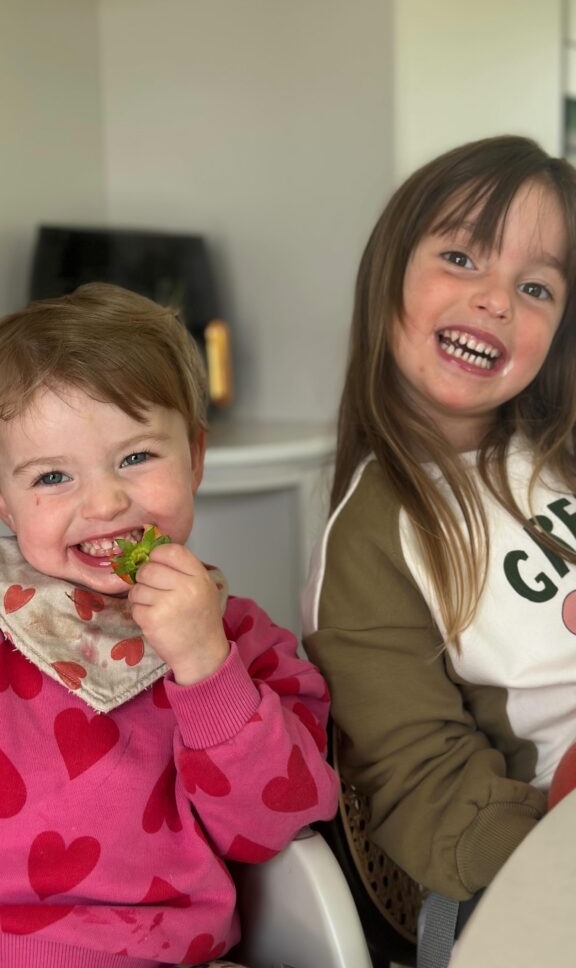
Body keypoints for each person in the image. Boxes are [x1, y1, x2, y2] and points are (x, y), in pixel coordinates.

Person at [0, 283, 339, 968]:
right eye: (51, 477)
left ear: (197, 457)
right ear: (4, 505)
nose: (104, 502)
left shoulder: (246, 642)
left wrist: (208, 666)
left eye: (135, 458)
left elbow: (277, 827)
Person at [302, 135, 576, 917]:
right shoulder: (372, 539)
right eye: (461, 258)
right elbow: (424, 785)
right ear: (390, 272)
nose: (496, 298)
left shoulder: (558, 454)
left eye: (537, 288)